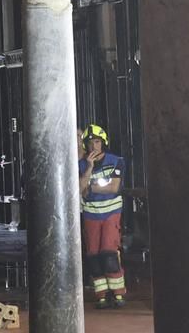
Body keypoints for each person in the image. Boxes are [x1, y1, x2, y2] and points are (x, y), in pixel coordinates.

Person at [78, 123, 126, 309]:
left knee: (108, 253)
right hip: (91, 214)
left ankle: (118, 293)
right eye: (90, 143)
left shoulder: (115, 161)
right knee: (93, 256)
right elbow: (79, 190)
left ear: (103, 142)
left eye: (97, 142)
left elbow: (114, 188)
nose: (93, 146)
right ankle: (102, 295)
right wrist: (89, 168)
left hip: (111, 213)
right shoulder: (81, 165)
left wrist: (91, 188)